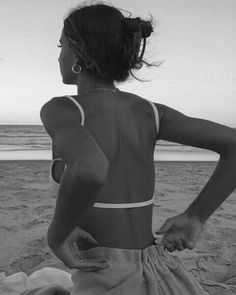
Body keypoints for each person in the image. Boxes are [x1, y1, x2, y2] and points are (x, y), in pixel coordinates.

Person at [22, 2, 236, 294]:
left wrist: (57, 234)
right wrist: (195, 217)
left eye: (61, 45)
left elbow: (90, 168)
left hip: (107, 278)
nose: (58, 54)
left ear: (78, 52)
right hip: (159, 271)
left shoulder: (62, 109)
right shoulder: (150, 112)